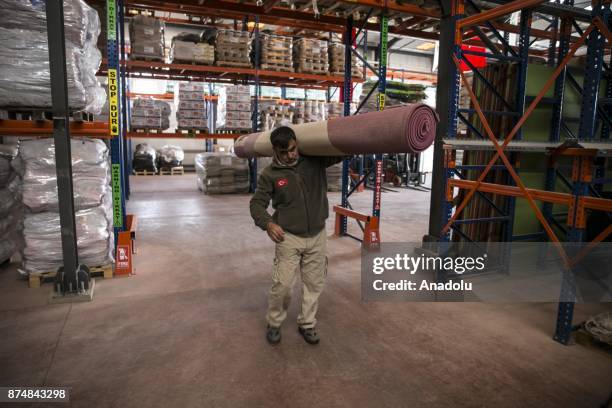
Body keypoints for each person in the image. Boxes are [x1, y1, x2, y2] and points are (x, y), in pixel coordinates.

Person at [250, 126, 343, 346]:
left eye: (293, 149)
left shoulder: (314, 161)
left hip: (317, 234)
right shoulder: (270, 174)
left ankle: (307, 324)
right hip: (288, 237)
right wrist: (268, 223)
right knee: (282, 285)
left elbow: (343, 149)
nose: (291, 155)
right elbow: (257, 204)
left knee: (314, 283)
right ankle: (274, 323)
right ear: (276, 151)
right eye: (285, 152)